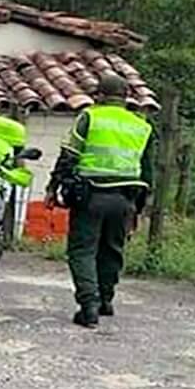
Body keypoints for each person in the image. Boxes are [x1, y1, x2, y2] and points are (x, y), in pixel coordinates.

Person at [46, 72, 155, 329]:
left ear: (100, 96)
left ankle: (89, 307)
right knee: (112, 250)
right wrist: (138, 209)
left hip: (91, 195)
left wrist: (53, 187)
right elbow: (147, 171)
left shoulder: (90, 117)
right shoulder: (142, 125)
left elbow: (69, 156)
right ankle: (106, 301)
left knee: (83, 250)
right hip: (125, 199)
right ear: (127, 97)